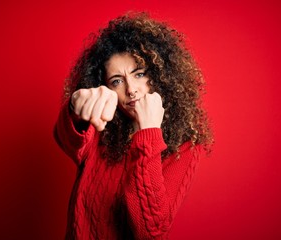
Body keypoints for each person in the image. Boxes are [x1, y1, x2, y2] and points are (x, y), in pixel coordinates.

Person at [53, 12, 213, 239]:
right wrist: (75, 108)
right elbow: (66, 138)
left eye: (139, 74)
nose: (131, 89)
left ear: (160, 74)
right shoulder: (101, 128)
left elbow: (150, 231)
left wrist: (148, 133)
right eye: (117, 80)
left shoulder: (185, 145)